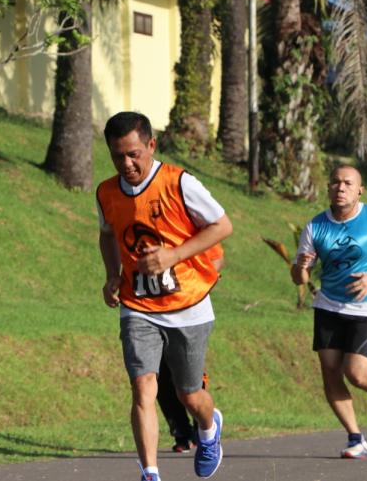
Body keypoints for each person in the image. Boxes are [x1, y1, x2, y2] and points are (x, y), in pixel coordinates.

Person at [97, 112, 233, 481]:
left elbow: (222, 225)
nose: (127, 164)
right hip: (138, 305)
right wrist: (112, 274)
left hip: (188, 303)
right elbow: (108, 234)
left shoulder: (179, 182)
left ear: (152, 146)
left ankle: (208, 428)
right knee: (143, 386)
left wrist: (174, 255)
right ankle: (150, 473)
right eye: (118, 156)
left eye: (134, 154)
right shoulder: (106, 193)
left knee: (190, 395)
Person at [290, 165, 367, 459]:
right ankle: (355, 437)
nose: (341, 188)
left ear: (360, 190)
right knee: (330, 372)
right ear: (328, 188)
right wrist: (301, 267)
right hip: (329, 305)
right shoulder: (316, 226)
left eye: (348, 183)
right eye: (335, 182)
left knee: (356, 373)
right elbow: (299, 278)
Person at [158, 245, 224, 454]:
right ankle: (182, 433)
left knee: (189, 383)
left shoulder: (188, 229)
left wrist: (199, 286)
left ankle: (202, 427)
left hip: (187, 312)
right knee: (158, 377)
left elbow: (216, 258)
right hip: (149, 312)